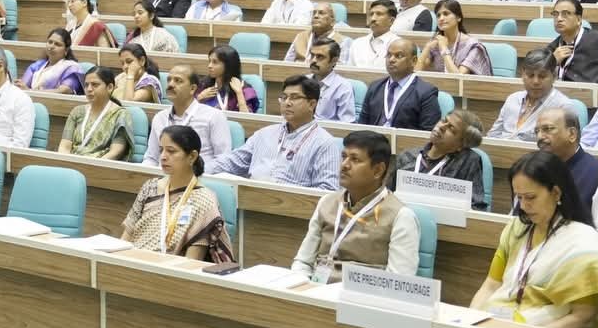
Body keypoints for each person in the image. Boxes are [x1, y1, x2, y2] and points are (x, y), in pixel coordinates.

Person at [468, 151, 598, 328]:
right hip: (497, 324)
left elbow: (583, 318)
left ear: (556, 193)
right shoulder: (516, 228)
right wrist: (470, 320)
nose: (523, 206)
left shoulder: (583, 244)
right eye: (519, 197)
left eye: (530, 197)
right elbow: (491, 285)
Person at [291, 131, 419, 281]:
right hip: (317, 288)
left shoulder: (401, 216)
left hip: (361, 293)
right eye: (344, 157)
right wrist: (300, 284)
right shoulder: (327, 202)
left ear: (378, 170)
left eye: (355, 159)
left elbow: (399, 280)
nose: (344, 165)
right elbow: (303, 261)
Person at [121, 125, 234, 261]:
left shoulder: (204, 200)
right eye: (161, 150)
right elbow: (126, 238)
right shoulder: (150, 187)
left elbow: (191, 262)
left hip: (169, 269)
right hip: (132, 261)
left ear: (192, 156)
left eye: (171, 151)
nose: (163, 157)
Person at [207, 75, 338, 189]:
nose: (287, 103)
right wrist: (200, 169)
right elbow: (233, 161)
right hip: (251, 197)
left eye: (294, 98)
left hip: (291, 205)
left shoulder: (325, 144)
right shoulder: (264, 134)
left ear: (312, 104)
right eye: (284, 97)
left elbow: (327, 190)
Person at [395, 110, 489, 212]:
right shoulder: (407, 156)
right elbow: (389, 195)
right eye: (444, 120)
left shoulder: (468, 161)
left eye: (451, 128)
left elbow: (476, 207)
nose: (441, 127)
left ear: (461, 145)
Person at [144, 64, 231, 167]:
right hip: (163, 175)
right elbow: (152, 158)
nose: (170, 84)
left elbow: (223, 160)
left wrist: (191, 173)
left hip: (199, 175)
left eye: (178, 80)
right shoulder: (160, 118)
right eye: (169, 80)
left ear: (192, 89)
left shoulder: (214, 116)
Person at [488, 48, 573, 141]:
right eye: (530, 75)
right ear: (522, 75)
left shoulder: (562, 106)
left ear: (554, 76)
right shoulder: (513, 99)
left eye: (542, 76)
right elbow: (492, 136)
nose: (535, 81)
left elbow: (565, 145)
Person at [358, 38, 442, 130]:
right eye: (389, 55)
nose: (391, 60)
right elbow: (362, 125)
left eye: (399, 56)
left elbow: (427, 132)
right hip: (372, 138)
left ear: (413, 61)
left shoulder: (426, 92)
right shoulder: (374, 87)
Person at [58, 67, 134, 160]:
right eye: (86, 85)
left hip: (100, 164)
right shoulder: (77, 111)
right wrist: (67, 162)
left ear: (110, 87)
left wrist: (92, 165)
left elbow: (116, 152)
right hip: (71, 162)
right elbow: (64, 146)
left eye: (95, 85)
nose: (89, 89)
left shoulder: (120, 114)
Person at [544, 0, 598, 83]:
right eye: (555, 14)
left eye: (565, 14)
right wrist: (552, 63)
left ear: (579, 19)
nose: (559, 19)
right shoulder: (551, 50)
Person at [418, 0, 492, 75]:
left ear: (458, 18)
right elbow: (416, 73)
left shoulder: (473, 46)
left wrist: (444, 49)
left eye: (446, 14)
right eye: (438, 15)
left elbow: (458, 78)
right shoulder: (436, 43)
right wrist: (427, 47)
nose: (441, 18)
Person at [195, 43, 259, 113]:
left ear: (228, 65)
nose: (209, 66)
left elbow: (247, 118)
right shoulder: (203, 85)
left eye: (215, 62)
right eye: (209, 61)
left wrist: (239, 93)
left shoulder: (244, 89)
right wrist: (199, 98)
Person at [21, 27, 84, 95]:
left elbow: (63, 91)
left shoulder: (71, 68)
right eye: (50, 42)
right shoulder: (37, 66)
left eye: (57, 44)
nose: (51, 46)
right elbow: (22, 86)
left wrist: (30, 91)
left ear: (66, 50)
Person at [307, 40, 355, 123]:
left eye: (320, 57)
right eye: (312, 55)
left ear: (334, 61)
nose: (313, 60)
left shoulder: (343, 87)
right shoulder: (302, 81)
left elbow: (347, 123)